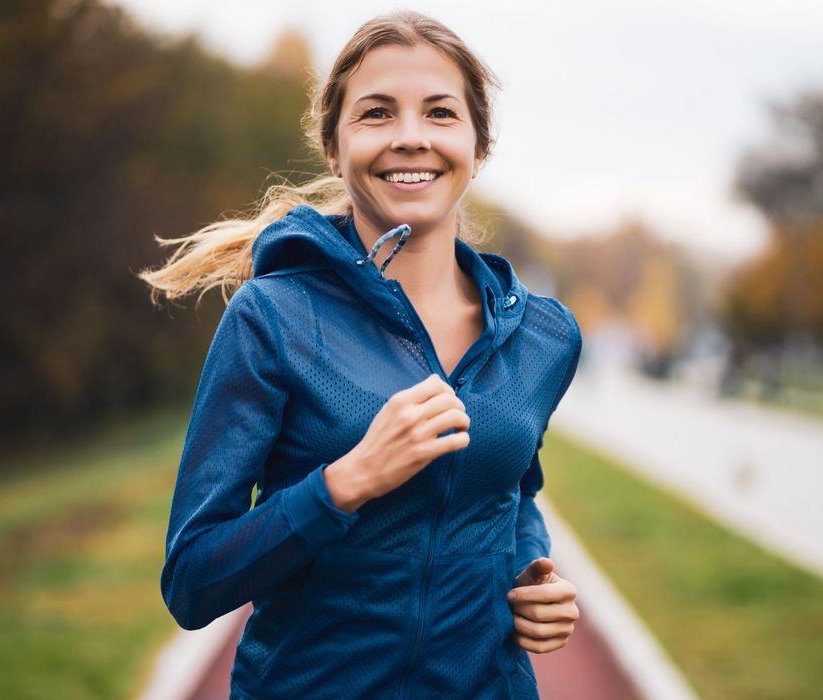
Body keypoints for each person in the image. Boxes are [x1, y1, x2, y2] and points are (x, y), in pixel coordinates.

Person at [140, 12, 583, 699]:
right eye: (376, 114)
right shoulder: (273, 319)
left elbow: (513, 488)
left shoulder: (544, 337)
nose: (411, 137)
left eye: (440, 113)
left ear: (477, 144)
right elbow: (193, 580)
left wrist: (532, 573)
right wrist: (346, 482)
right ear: (334, 146)